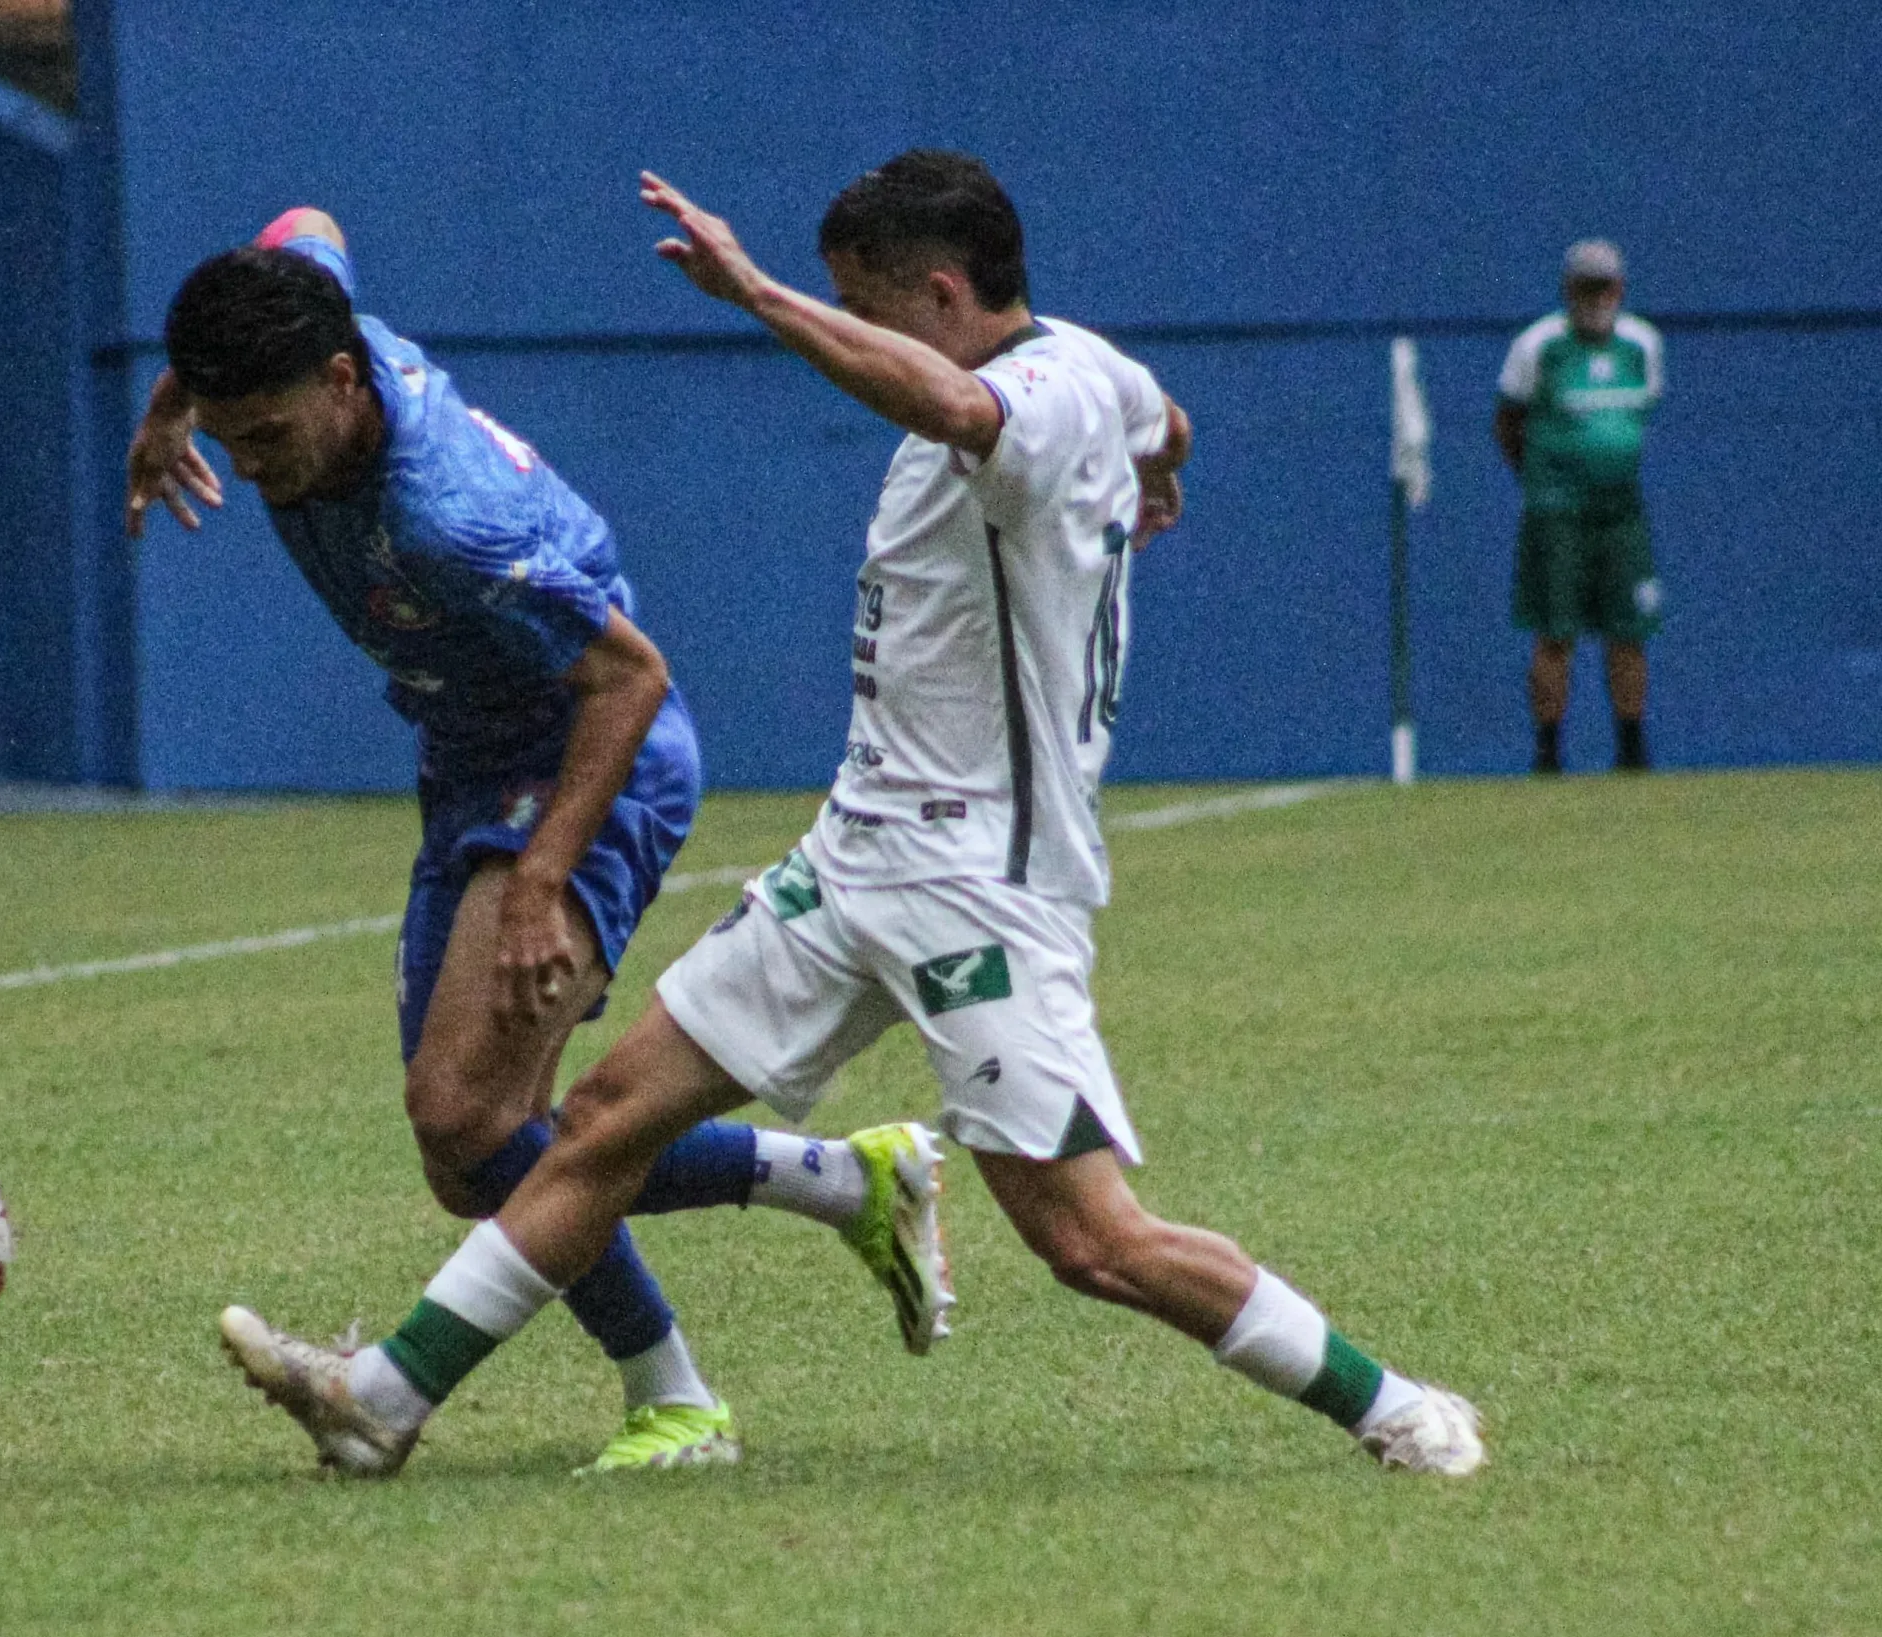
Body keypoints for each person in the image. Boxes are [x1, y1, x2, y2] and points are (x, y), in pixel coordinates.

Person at [217, 153, 1486, 1480]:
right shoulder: (1100, 374)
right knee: (600, 1118)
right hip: (857, 855)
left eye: (862, 305)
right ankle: (387, 1398)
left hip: (977, 885)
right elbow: (1165, 415)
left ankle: (1392, 1402)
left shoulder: (1038, 399)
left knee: (1088, 1240)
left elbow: (958, 399)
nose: (848, 328)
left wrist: (757, 293)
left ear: (941, 295)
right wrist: (1163, 470)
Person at [126, 209, 950, 1473]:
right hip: (466, 755)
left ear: (344, 380)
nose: (253, 468)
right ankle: (837, 1182)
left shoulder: (445, 519)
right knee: (472, 1156)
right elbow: (306, 230)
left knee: (463, 1108)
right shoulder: (306, 318)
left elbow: (627, 681)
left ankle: (671, 1397)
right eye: (231, 441)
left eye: (271, 435)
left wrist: (542, 882)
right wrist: (169, 406)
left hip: (583, 759)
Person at [1496, 239, 1664, 773]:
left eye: (1605, 287)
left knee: (1630, 630)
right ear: (1568, 290)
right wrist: (1545, 479)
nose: (1596, 298)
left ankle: (1631, 749)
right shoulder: (1539, 346)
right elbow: (1508, 423)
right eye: (1585, 287)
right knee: (1556, 631)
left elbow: (1639, 415)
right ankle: (1548, 753)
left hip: (1621, 511)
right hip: (1557, 512)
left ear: (1620, 290)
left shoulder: (1641, 345)